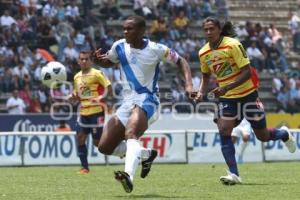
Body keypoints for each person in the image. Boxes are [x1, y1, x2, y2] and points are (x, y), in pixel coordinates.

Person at [94, 15, 193, 193]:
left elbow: (181, 61)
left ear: (141, 31)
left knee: (131, 133)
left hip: (148, 99)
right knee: (105, 147)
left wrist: (189, 84)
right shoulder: (119, 46)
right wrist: (99, 61)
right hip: (127, 102)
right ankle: (146, 154)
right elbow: (109, 61)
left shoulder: (156, 49)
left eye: (129, 29)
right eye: (124, 28)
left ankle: (128, 177)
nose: (125, 32)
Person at [195, 17, 296, 185]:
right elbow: (205, 76)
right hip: (227, 98)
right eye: (205, 30)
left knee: (262, 136)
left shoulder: (233, 44)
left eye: (212, 29)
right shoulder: (203, 52)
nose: (208, 32)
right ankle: (234, 174)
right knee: (224, 130)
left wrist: (227, 87)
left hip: (248, 95)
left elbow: (247, 72)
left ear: (219, 29)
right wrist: (200, 92)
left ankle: (283, 134)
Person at [68, 51, 111, 174]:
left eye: (86, 59)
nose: (84, 61)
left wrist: (100, 97)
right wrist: (73, 97)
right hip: (83, 112)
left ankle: (118, 149)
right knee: (80, 138)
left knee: (98, 143)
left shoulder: (97, 74)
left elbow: (109, 88)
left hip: (97, 111)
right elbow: (80, 94)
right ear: (78, 61)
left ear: (91, 61)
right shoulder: (76, 77)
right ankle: (85, 168)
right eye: (82, 59)